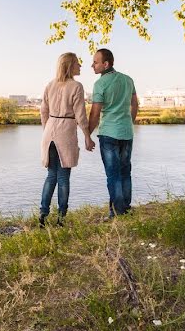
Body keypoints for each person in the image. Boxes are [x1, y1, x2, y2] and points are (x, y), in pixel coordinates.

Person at [39, 52, 94, 227]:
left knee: (51, 176)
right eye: (78, 63)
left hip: (50, 131)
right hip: (66, 132)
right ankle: (61, 218)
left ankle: (43, 215)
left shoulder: (50, 85)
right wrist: (87, 136)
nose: (80, 66)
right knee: (63, 178)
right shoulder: (76, 86)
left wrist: (47, 129)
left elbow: (43, 112)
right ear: (70, 65)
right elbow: (80, 115)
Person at [88, 48, 138, 218]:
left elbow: (95, 113)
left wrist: (87, 134)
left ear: (106, 64)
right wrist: (128, 122)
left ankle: (117, 212)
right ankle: (126, 208)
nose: (92, 65)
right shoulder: (128, 80)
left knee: (113, 174)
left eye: (95, 62)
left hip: (109, 133)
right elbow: (134, 105)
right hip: (126, 132)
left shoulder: (100, 84)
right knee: (125, 171)